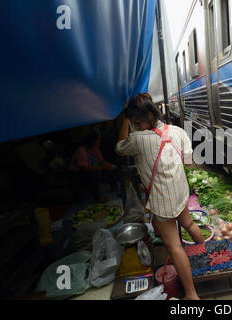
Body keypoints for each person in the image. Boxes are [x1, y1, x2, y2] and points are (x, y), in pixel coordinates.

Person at [115, 93, 203, 300]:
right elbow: (188, 161)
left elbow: (119, 148)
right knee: (189, 225)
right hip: (180, 191)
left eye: (136, 122)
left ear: (147, 115)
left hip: (163, 200)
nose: (135, 126)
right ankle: (204, 256)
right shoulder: (177, 131)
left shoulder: (137, 139)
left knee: (174, 246)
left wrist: (124, 119)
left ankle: (191, 295)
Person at [69, 131, 118, 203]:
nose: (99, 141)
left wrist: (109, 165)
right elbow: (85, 168)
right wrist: (103, 167)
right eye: (98, 140)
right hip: (77, 172)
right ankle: (97, 198)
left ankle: (114, 187)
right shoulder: (81, 151)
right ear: (92, 141)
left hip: (90, 168)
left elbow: (101, 160)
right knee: (93, 175)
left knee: (110, 169)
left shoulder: (95, 149)